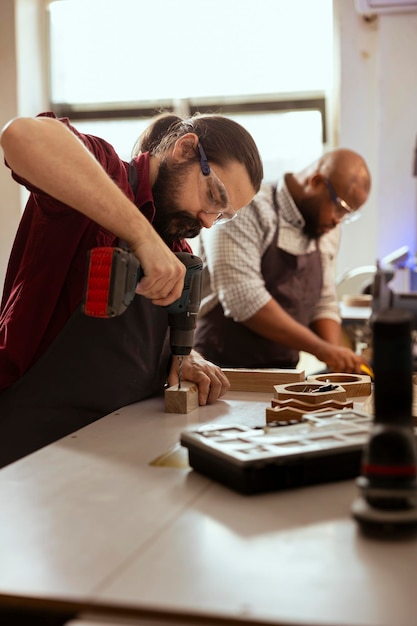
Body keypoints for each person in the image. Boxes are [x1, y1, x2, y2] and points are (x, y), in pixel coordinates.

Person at [0, 110, 263, 467]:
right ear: (186, 149)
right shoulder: (105, 175)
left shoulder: (177, 251)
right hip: (31, 449)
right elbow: (20, 136)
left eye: (221, 215)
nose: (207, 219)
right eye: (214, 197)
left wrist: (182, 358)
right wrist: (142, 237)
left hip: (115, 454)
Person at [194, 148, 372, 374]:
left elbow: (323, 301)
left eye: (348, 214)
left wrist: (337, 360)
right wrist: (323, 349)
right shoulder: (248, 208)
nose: (338, 221)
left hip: (284, 371)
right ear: (316, 182)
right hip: (220, 369)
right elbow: (242, 297)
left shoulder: (326, 230)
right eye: (339, 208)